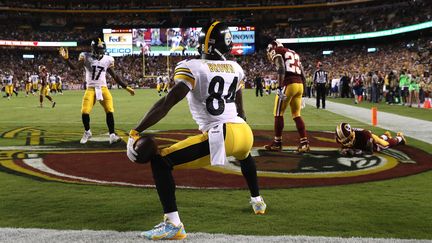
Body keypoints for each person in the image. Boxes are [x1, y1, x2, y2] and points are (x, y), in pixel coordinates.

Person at [126, 21, 266, 240]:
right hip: (244, 133)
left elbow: (166, 103)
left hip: (222, 134)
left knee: (161, 161)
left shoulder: (193, 66)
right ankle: (258, 201)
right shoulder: (236, 68)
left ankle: (173, 224)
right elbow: (241, 110)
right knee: (245, 157)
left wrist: (136, 130)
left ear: (206, 44)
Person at [59, 38, 135, 144]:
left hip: (103, 88)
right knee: (85, 111)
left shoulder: (108, 59)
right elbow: (75, 68)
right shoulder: (85, 56)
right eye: (98, 50)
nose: (100, 52)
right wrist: (67, 60)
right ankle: (87, 132)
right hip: (91, 89)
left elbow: (115, 76)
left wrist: (126, 87)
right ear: (93, 49)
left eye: (102, 50)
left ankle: (112, 135)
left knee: (109, 110)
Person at [264, 40, 309, 152]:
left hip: (289, 84)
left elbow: (281, 68)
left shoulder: (277, 51)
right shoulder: (294, 53)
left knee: (278, 113)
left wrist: (279, 87)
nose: (269, 52)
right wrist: (304, 93)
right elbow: (303, 73)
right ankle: (304, 143)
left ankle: (277, 143)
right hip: (299, 85)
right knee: (296, 114)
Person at [335, 123, 406, 156]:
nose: (345, 142)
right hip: (363, 139)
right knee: (380, 141)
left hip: (370, 137)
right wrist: (343, 150)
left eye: (347, 140)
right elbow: (343, 148)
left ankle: (400, 138)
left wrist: (357, 152)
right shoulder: (341, 138)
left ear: (352, 135)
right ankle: (386, 135)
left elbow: (370, 152)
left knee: (383, 145)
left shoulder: (364, 135)